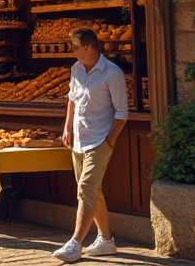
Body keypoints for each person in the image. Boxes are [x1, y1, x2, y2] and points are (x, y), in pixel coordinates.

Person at [53, 26, 129, 262]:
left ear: (88, 46)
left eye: (75, 47)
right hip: (78, 139)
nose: (72, 52)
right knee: (92, 191)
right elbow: (71, 100)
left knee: (85, 189)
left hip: (99, 140)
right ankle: (106, 240)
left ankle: (75, 243)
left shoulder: (112, 73)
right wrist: (67, 128)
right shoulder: (76, 69)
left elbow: (122, 112)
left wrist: (109, 141)